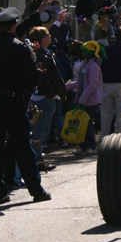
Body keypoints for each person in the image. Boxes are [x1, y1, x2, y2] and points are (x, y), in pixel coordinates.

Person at [0, 7, 50, 204]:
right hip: (14, 103)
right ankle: (36, 190)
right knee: (22, 147)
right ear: (13, 26)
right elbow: (31, 77)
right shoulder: (21, 47)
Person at [28, 27, 67, 170]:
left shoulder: (47, 53)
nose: (50, 37)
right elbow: (43, 78)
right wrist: (53, 92)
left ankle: (38, 158)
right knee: (41, 130)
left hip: (44, 95)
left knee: (41, 130)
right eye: (48, 35)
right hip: (43, 97)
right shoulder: (40, 56)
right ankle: (36, 161)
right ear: (42, 39)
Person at [66, 42, 104, 155]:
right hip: (83, 98)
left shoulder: (93, 66)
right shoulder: (86, 64)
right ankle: (83, 145)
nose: (82, 53)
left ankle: (91, 146)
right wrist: (67, 87)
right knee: (82, 122)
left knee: (87, 123)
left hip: (90, 99)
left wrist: (83, 99)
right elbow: (81, 82)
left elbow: (92, 85)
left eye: (84, 51)